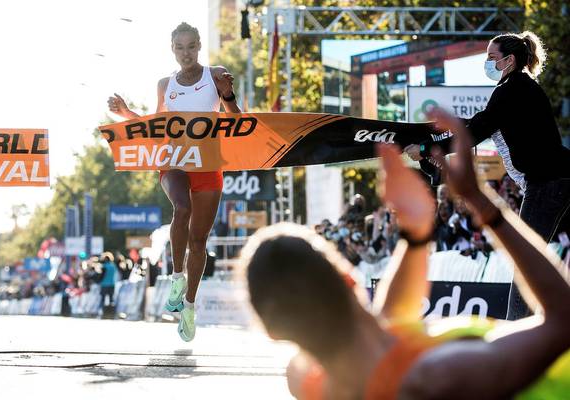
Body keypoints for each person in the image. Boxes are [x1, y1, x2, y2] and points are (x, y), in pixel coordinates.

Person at [240, 108, 570, 399]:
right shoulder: (438, 376)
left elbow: (390, 322)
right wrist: (481, 202)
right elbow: (562, 320)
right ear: (349, 278)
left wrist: (415, 235)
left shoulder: (310, 382)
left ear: (274, 332)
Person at [404, 31, 570, 319]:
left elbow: (472, 132)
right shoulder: (520, 88)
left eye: (492, 57)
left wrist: (425, 147)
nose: (487, 63)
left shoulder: (512, 90)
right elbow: (474, 127)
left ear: (509, 60)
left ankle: (516, 335)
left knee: (525, 262)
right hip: (559, 180)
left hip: (548, 184)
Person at [107, 22, 241, 341]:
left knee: (198, 241)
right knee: (181, 209)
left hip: (208, 164)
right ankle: (176, 276)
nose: (186, 53)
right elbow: (156, 125)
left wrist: (228, 95)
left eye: (191, 46)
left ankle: (190, 306)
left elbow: (237, 121)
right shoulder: (165, 83)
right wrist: (126, 113)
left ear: (199, 47)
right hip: (175, 162)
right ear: (172, 49)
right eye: (179, 47)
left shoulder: (216, 74)